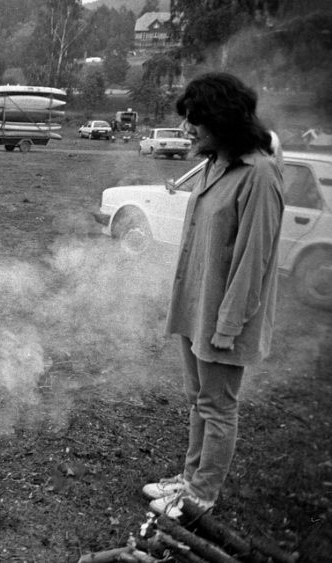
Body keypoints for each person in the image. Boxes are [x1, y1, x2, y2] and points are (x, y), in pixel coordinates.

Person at [143, 72, 284, 519]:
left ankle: (201, 496)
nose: (187, 129)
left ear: (221, 119)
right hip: (196, 306)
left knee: (218, 406)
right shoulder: (214, 164)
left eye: (195, 120)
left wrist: (229, 325)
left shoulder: (259, 174)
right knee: (198, 399)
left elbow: (254, 260)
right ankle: (189, 479)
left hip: (225, 316)